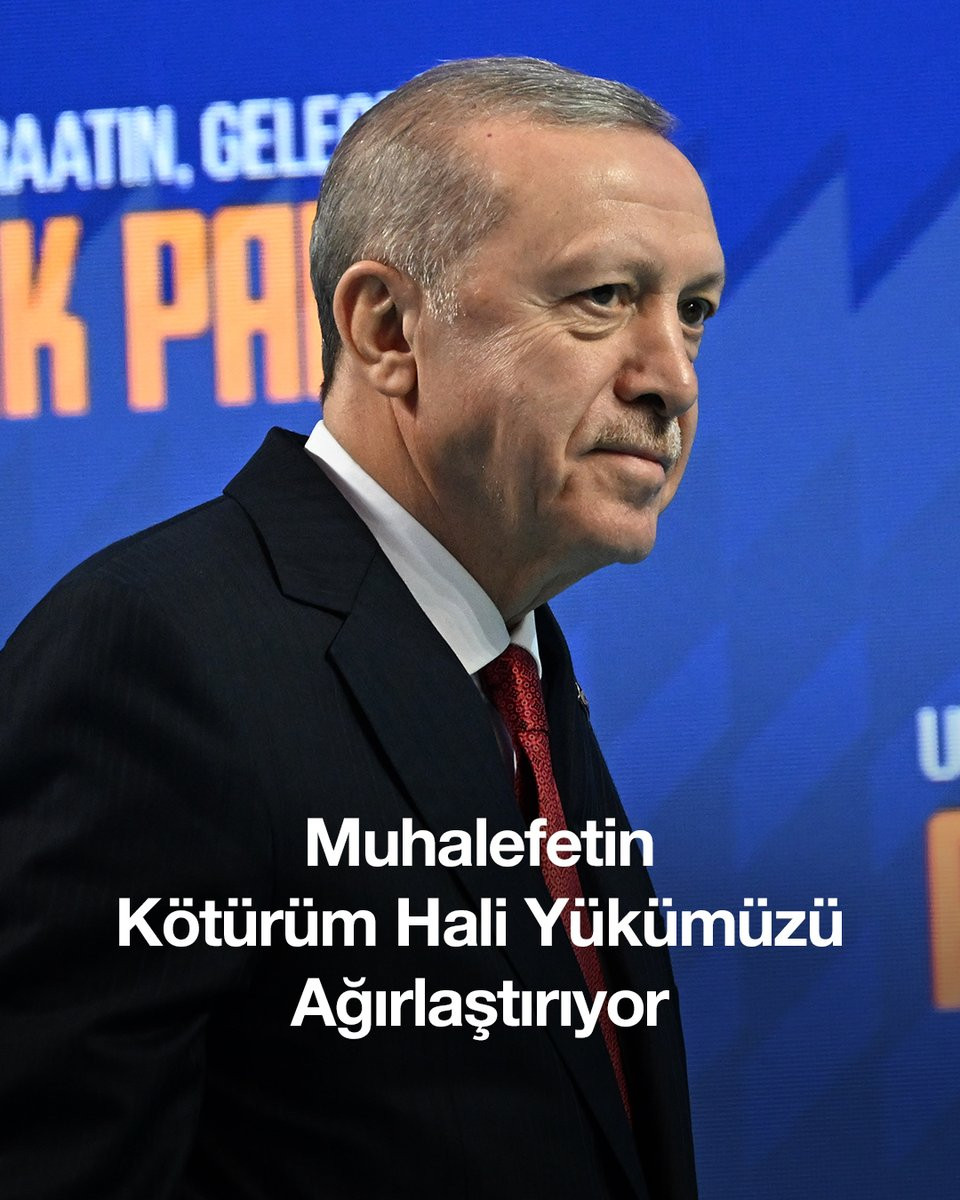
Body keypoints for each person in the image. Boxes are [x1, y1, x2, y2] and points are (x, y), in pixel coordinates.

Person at [0, 56, 724, 1200]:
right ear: (387, 328)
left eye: (692, 311)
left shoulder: (521, 674)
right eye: (601, 297)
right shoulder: (152, 659)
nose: (671, 377)